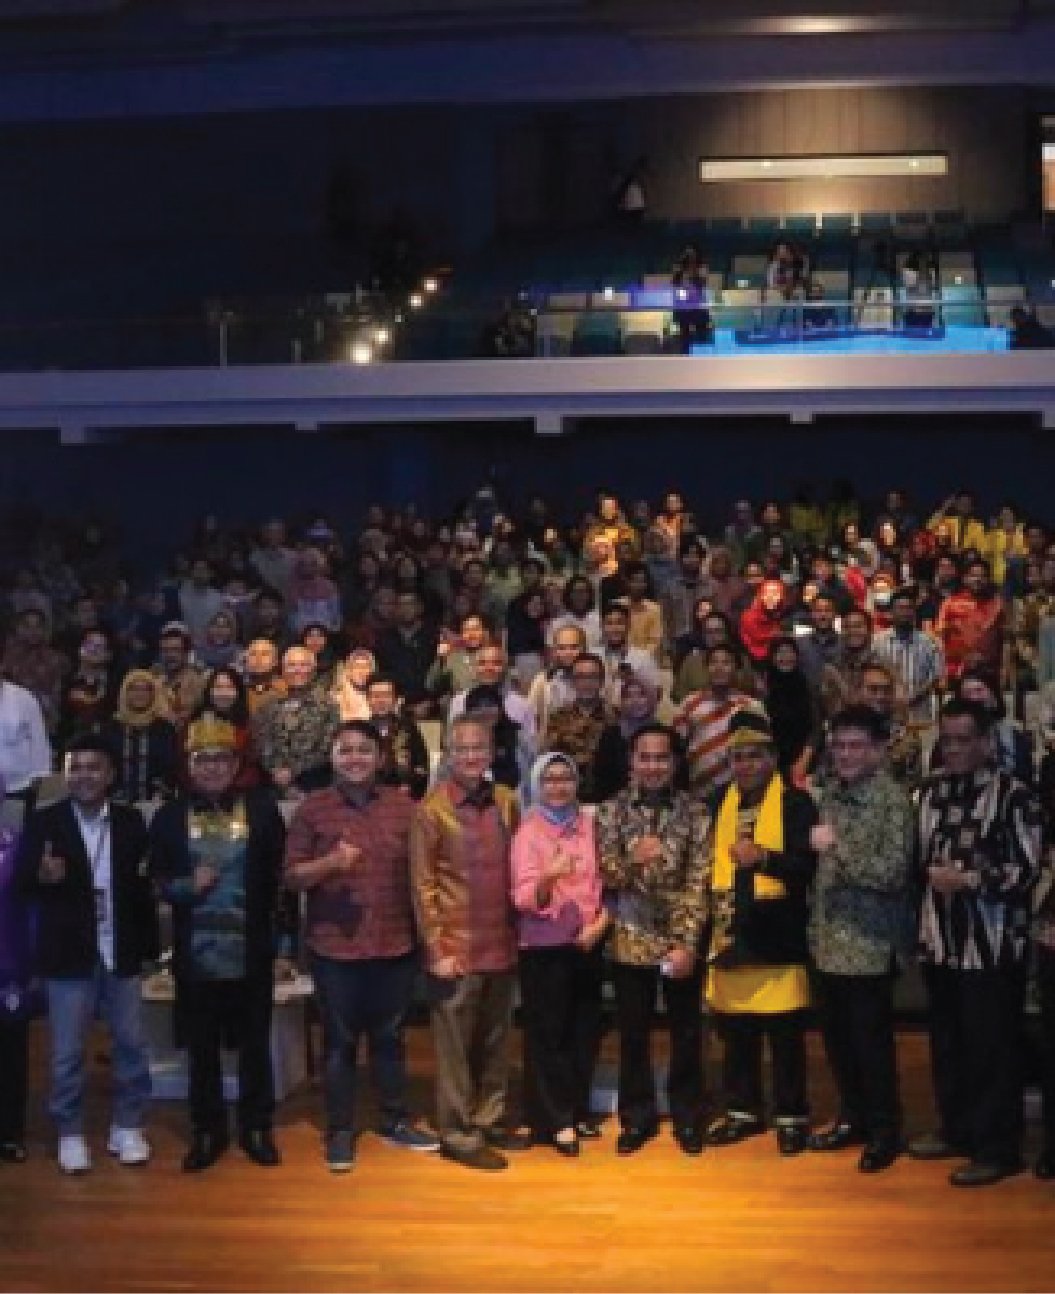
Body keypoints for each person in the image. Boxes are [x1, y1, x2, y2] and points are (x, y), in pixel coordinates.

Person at [284, 721, 439, 1172]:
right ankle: (339, 1130)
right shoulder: (313, 809)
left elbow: (426, 870)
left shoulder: (405, 808)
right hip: (336, 949)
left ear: (380, 757)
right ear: (333, 757)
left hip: (395, 943)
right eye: (346, 750)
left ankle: (394, 1120)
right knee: (340, 1043)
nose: (355, 758)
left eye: (364, 750)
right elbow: (291, 876)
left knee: (390, 1039)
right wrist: (332, 863)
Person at [909, 699, 1042, 1186]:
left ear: (987, 742)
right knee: (948, 1043)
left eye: (964, 740)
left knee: (992, 1049)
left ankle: (997, 1148)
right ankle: (956, 1129)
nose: (954, 749)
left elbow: (1028, 871)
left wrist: (970, 880)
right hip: (939, 939)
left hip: (991, 943)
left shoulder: (1015, 796)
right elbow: (915, 860)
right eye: (946, 740)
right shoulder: (929, 793)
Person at [149, 714, 289, 1173]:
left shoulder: (263, 810)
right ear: (190, 765)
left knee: (255, 1043)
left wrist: (284, 946)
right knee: (202, 1046)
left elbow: (280, 881)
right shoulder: (170, 817)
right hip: (195, 953)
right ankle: (207, 1128)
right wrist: (188, 887)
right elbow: (153, 882)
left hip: (252, 949)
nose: (212, 767)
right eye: (202, 759)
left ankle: (256, 1125)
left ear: (235, 764)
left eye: (220, 759)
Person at [16, 733, 158, 1174]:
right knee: (66, 1052)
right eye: (74, 768)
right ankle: (70, 1131)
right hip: (68, 952)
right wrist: (41, 875)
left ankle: (128, 1125)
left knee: (131, 1044)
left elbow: (143, 891)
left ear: (110, 774)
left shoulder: (130, 821)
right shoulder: (45, 821)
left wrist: (149, 950)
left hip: (120, 948)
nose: (83, 776)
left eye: (93, 767)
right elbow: (20, 883)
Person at [410, 714, 523, 1172]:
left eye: (479, 748)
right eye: (462, 749)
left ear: (491, 752)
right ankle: (457, 1133)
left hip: (502, 942)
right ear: (449, 755)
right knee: (455, 1051)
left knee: (496, 1042)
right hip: (455, 947)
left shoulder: (507, 801)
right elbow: (423, 887)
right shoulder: (431, 810)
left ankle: (488, 1120)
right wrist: (436, 950)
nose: (471, 756)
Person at [705, 710, 819, 1156]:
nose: (746, 765)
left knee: (785, 1035)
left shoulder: (795, 804)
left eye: (755, 756)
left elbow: (807, 866)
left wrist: (764, 859)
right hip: (731, 928)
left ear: (772, 758)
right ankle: (742, 1111)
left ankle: (792, 1116)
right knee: (737, 1033)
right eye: (738, 758)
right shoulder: (717, 802)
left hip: (779, 931)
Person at [808, 706, 915, 1173]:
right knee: (838, 1043)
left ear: (878, 749)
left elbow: (892, 873)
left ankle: (885, 1131)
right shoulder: (832, 792)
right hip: (826, 938)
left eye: (856, 746)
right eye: (839, 746)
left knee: (872, 1047)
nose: (845, 755)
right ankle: (853, 1118)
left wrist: (838, 849)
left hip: (869, 943)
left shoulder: (893, 802)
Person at [596, 722, 711, 1156]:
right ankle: (637, 1117)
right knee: (633, 1034)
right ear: (631, 761)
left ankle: (688, 1115)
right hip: (630, 936)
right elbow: (605, 876)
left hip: (680, 937)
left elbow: (699, 881)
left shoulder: (695, 811)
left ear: (675, 762)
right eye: (644, 757)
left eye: (661, 758)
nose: (653, 766)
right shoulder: (611, 811)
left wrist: (687, 943)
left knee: (686, 1032)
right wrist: (632, 859)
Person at [511, 753, 609, 1155]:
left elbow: (609, 882)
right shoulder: (528, 832)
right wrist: (549, 877)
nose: (558, 786)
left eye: (565, 778)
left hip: (587, 943)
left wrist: (599, 925)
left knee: (584, 1032)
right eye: (549, 779)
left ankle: (578, 1107)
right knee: (548, 1035)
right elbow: (522, 897)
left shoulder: (590, 826)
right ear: (538, 784)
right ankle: (555, 1118)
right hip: (544, 946)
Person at [0, 777, 35, 1162]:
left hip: (9, 962)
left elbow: (32, 908)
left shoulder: (18, 844)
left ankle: (9, 1133)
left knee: (10, 1052)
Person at [674, 644, 758, 798]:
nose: (719, 668)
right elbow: (677, 745)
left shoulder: (751, 706)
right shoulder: (689, 703)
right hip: (698, 788)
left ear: (736, 668)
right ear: (706, 668)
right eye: (713, 662)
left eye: (726, 662)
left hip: (740, 789)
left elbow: (761, 752)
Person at [257, 645, 342, 796]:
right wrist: (276, 770)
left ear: (313, 670)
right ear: (283, 670)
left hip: (315, 783)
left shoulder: (329, 705)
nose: (297, 670)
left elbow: (328, 746)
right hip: (274, 782)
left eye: (303, 665)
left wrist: (292, 771)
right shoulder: (269, 705)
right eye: (291, 665)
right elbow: (263, 742)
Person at [100, 669, 179, 803]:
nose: (140, 694)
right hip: (115, 802)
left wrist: (159, 797)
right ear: (125, 693)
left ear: (153, 694)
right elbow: (104, 766)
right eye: (134, 689)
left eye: (146, 689)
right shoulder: (110, 728)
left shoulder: (165, 729)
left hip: (155, 803)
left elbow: (171, 768)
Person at [365, 674, 431, 800]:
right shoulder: (362, 731)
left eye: (386, 695)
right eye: (376, 696)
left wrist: (409, 785)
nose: (381, 701)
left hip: (403, 798)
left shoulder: (408, 728)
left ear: (395, 699)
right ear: (368, 699)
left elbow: (422, 767)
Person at [331, 647, 376, 722]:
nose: (361, 671)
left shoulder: (376, 697)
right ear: (349, 670)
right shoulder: (336, 697)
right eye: (357, 666)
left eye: (366, 667)